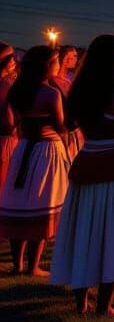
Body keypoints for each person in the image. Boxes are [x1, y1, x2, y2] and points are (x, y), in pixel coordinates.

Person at [50, 35, 114, 316]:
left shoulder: (79, 90)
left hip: (87, 163)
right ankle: (104, 306)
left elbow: (68, 125)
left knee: (85, 231)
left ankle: (81, 303)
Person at [0, 46, 68, 276]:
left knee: (20, 203)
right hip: (46, 152)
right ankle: (33, 266)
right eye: (56, 61)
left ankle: (18, 263)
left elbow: (13, 123)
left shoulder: (16, 90)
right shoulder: (51, 94)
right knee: (41, 204)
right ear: (46, 65)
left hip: (22, 150)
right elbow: (61, 127)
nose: (58, 65)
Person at [0, 45, 19, 191]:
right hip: (6, 137)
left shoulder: (7, 81)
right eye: (10, 58)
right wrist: (12, 127)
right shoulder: (6, 84)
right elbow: (8, 110)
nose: (14, 61)